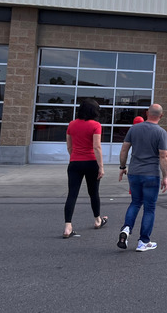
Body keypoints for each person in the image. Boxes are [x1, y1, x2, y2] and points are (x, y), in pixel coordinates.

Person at [117, 103, 167, 252]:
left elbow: (124, 149)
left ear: (147, 113)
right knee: (149, 208)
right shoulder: (161, 132)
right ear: (161, 115)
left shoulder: (134, 129)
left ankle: (126, 229)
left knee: (135, 203)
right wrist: (165, 176)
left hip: (134, 172)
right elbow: (163, 156)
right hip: (150, 174)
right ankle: (143, 241)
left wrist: (122, 167)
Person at [63, 98, 107, 238]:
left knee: (72, 194)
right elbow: (96, 146)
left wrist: (74, 156)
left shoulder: (71, 124)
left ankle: (68, 226)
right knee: (93, 193)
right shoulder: (96, 125)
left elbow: (69, 146)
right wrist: (101, 166)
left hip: (75, 162)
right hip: (91, 162)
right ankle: (97, 220)